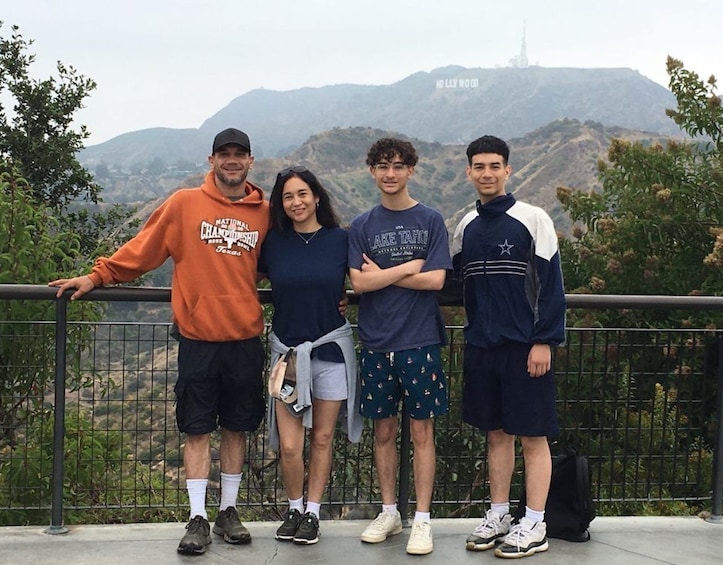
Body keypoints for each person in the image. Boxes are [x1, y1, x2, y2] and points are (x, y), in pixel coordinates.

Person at [49, 128, 269, 556]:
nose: (231, 161)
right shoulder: (184, 204)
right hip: (198, 338)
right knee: (197, 428)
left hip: (244, 337)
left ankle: (228, 511)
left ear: (250, 161)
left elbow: (286, 263)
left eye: (239, 154)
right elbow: (143, 249)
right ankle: (197, 517)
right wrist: (97, 276)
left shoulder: (264, 213)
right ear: (212, 161)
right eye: (223, 154)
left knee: (238, 428)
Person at [451, 135, 566, 559]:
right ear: (468, 172)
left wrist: (545, 341)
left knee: (533, 437)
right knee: (496, 436)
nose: (487, 173)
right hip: (481, 347)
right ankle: (499, 515)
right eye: (479, 166)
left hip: (524, 349)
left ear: (508, 170)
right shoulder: (466, 226)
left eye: (494, 166)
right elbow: (455, 284)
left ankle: (534, 523)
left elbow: (553, 286)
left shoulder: (532, 219)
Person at [348, 138, 451, 556]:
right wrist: (411, 266)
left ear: (411, 170)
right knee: (383, 432)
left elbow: (437, 280)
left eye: (398, 166)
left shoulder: (431, 220)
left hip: (420, 340)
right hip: (376, 342)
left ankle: (422, 520)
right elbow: (359, 283)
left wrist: (387, 271)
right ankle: (390, 511)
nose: (390, 174)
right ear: (371, 171)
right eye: (382, 166)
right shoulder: (361, 225)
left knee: (422, 432)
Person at [258, 165, 361, 545]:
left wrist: (348, 297)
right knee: (289, 445)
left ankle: (313, 513)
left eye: (303, 193)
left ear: (317, 197)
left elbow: (361, 280)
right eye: (288, 196)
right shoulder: (272, 244)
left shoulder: (340, 240)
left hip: (331, 350)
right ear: (280, 204)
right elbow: (244, 276)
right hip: (287, 356)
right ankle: (294, 508)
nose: (296, 202)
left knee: (321, 438)